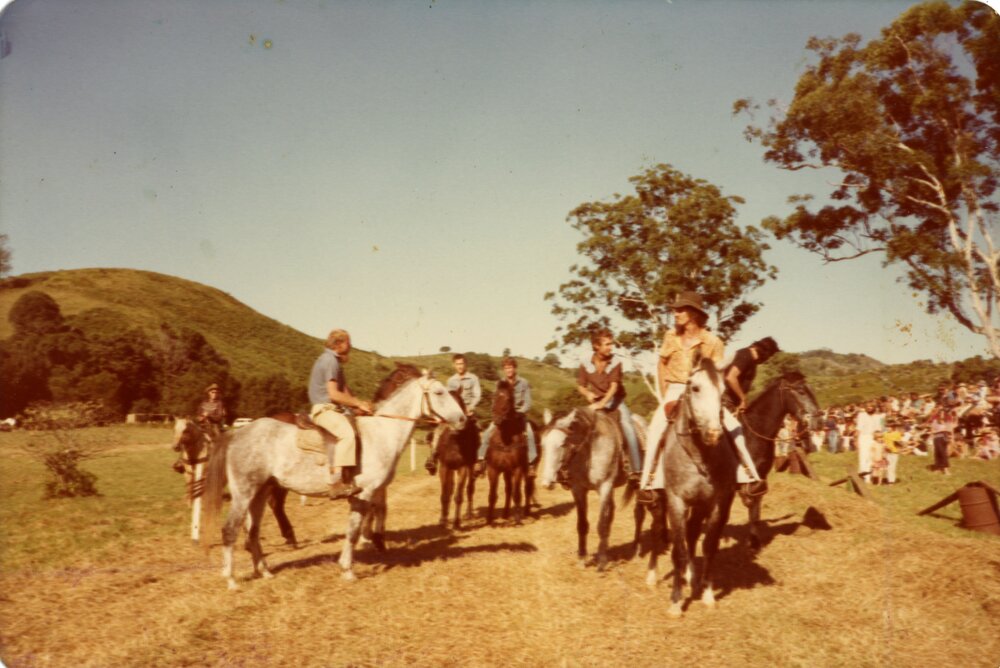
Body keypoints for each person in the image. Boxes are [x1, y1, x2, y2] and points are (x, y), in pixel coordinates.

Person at [638, 291, 725, 505]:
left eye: (680, 309)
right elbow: (662, 364)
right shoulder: (671, 336)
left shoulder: (713, 342)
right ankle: (648, 483)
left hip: (703, 394)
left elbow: (718, 374)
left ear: (694, 313)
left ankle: (747, 475)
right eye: (675, 309)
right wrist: (663, 393)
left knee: (732, 427)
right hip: (675, 391)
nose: (675, 313)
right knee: (655, 429)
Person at [308, 329, 372, 499]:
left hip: (332, 409)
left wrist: (360, 406)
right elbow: (334, 395)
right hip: (324, 409)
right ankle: (336, 483)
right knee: (347, 434)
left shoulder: (335, 363)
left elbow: (345, 393)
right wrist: (357, 403)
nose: (350, 346)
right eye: (348, 343)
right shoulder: (330, 361)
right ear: (338, 344)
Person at [575, 329, 641, 486]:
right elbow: (580, 386)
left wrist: (601, 404)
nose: (610, 347)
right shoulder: (585, 362)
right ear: (596, 346)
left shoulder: (616, 362)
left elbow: (613, 387)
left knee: (627, 425)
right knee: (578, 425)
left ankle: (636, 469)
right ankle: (572, 468)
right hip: (596, 401)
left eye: (611, 344)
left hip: (615, 402)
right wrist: (588, 394)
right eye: (607, 344)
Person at [721, 337, 780, 489]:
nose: (768, 359)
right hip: (725, 401)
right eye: (770, 355)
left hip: (733, 403)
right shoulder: (745, 355)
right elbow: (731, 377)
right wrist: (743, 398)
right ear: (765, 352)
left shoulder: (751, 361)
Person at [475, 356, 536, 475]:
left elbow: (528, 403)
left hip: (519, 415)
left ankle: (531, 464)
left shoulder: (523, 383)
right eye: (506, 368)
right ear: (504, 369)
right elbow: (496, 401)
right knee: (487, 433)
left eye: (511, 367)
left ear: (515, 368)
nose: (509, 370)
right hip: (502, 416)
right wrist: (496, 414)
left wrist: (520, 412)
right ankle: (481, 460)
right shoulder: (500, 383)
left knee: (530, 434)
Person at [425, 353, 482, 475]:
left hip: (467, 412)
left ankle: (477, 460)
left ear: (465, 364)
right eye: (457, 364)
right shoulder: (450, 380)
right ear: (454, 365)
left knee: (476, 430)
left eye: (462, 363)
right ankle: (433, 457)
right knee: (438, 430)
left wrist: (470, 407)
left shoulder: (473, 378)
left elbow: (477, 395)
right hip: (453, 413)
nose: (460, 366)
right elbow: (446, 397)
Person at [855, 402, 882, 483]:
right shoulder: (861, 415)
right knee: (863, 457)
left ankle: (868, 477)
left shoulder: (879, 417)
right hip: (863, 437)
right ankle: (862, 476)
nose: (869, 408)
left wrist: (879, 440)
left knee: (871, 457)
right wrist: (856, 440)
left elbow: (879, 429)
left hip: (874, 438)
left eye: (871, 406)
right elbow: (858, 428)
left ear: (874, 407)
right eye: (867, 406)